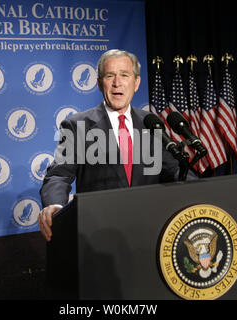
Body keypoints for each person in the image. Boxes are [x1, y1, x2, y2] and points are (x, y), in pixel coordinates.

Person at [38, 49, 196, 241]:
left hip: (150, 229)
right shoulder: (78, 125)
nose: (117, 83)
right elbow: (59, 175)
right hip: (100, 232)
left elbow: (174, 170)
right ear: (99, 83)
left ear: (136, 83)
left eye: (124, 75)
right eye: (110, 76)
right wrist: (55, 205)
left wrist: (203, 193)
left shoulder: (150, 122)